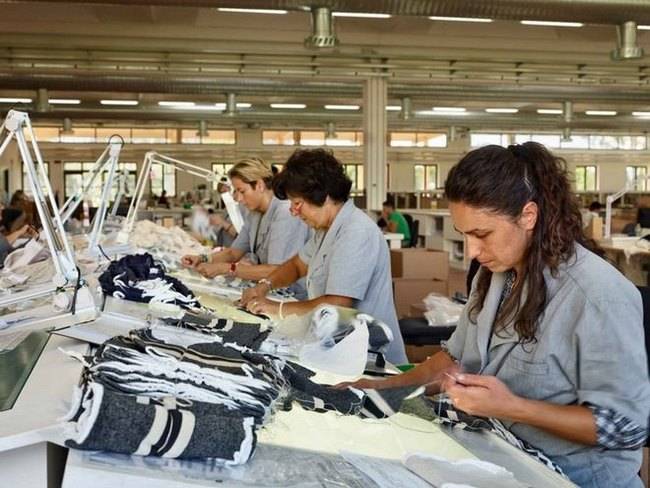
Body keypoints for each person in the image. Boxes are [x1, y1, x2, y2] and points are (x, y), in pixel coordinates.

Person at [337, 143, 650, 487]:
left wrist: (511, 406)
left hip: (570, 479)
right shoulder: (496, 276)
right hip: (502, 455)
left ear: (528, 216)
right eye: (465, 235)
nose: (472, 251)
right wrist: (376, 388)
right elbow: (456, 361)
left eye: (482, 234)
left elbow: (626, 427)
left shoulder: (597, 296)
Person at [240, 148, 408, 365]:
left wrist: (276, 308)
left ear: (324, 196)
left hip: (370, 359)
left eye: (297, 203)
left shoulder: (356, 231)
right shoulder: (325, 229)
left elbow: (337, 303)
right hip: (337, 346)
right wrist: (264, 286)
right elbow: (297, 265)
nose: (293, 211)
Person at [181, 157, 310, 297]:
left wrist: (227, 269)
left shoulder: (285, 212)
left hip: (294, 295)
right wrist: (203, 259)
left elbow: (277, 269)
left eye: (242, 191)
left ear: (259, 185)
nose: (238, 198)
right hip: (272, 289)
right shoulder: (254, 214)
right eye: (236, 192)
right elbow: (233, 252)